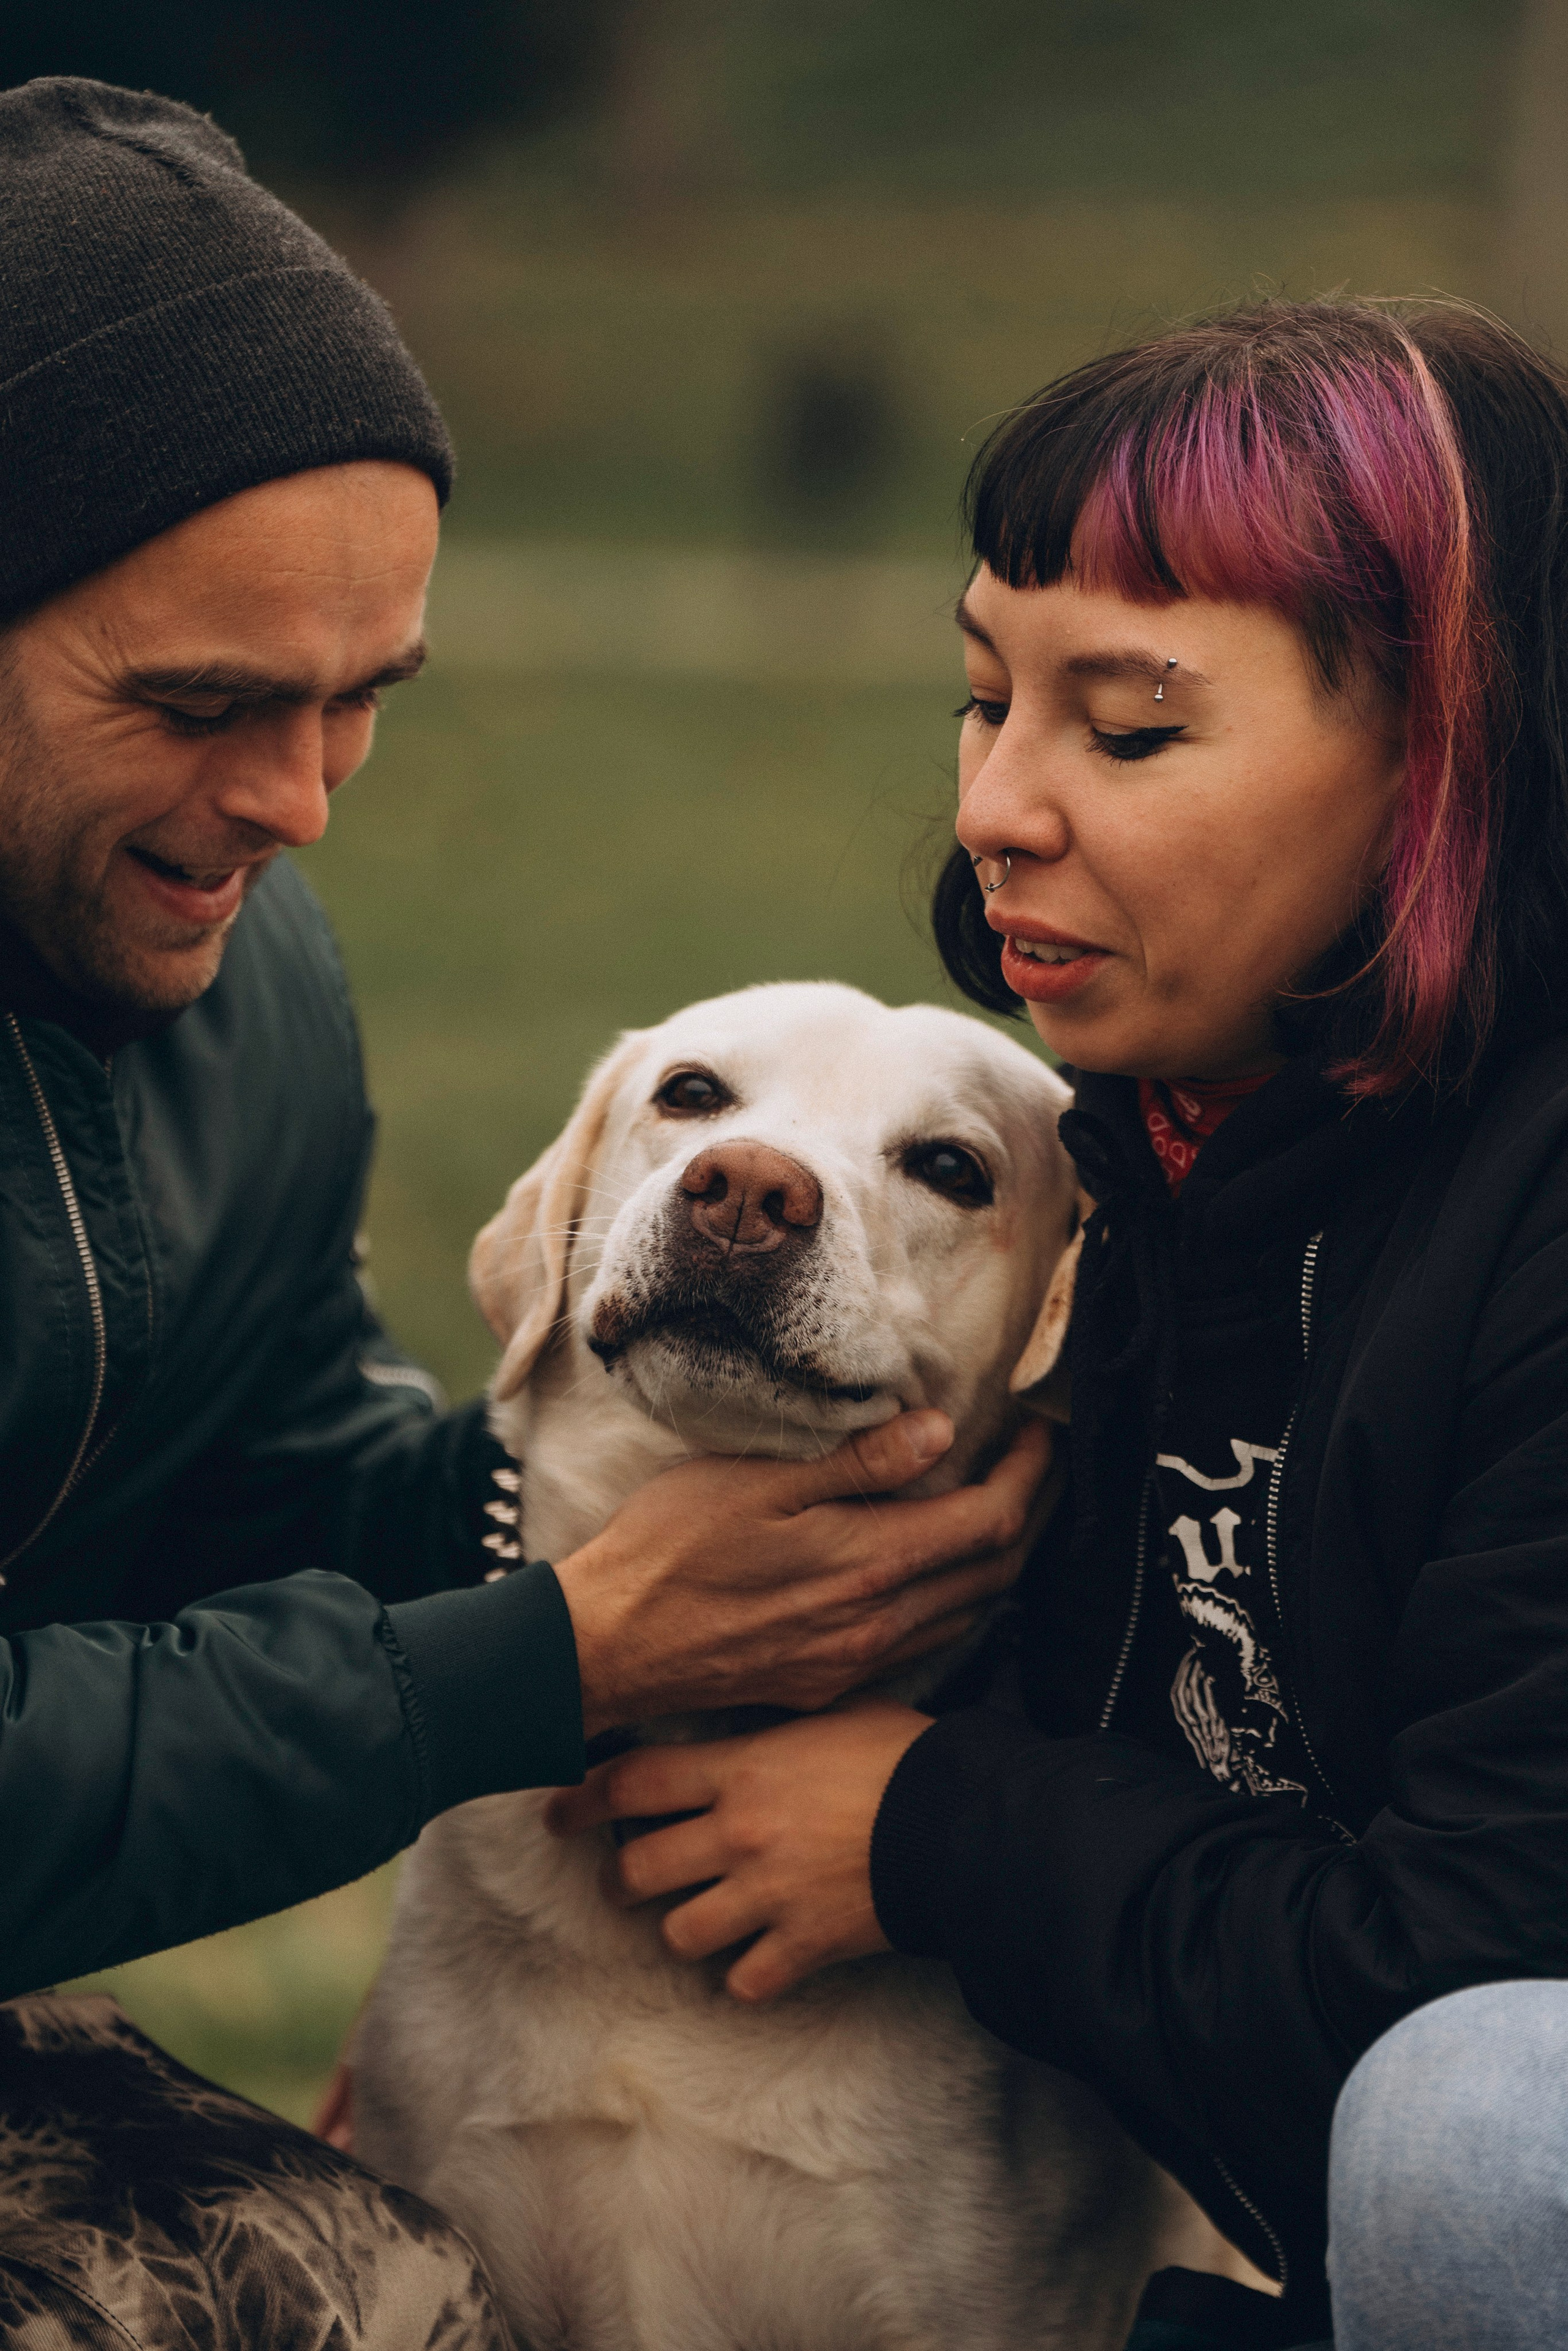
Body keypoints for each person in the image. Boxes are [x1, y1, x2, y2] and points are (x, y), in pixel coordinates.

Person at [0, 77, 1047, 2343]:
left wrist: (701, 1545)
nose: (290, 807)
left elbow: (269, 1470)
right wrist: (544, 1659)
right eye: (194, 703)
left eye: (360, 701)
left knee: (371, 2294)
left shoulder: (231, 961)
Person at [559, 296, 1568, 2351]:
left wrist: (935, 1826)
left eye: (1125, 730)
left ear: (1443, 767)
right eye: (982, 699)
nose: (999, 806)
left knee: (1490, 2129)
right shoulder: (1122, 1181)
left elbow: (1479, 1954)